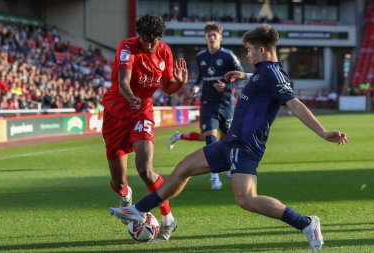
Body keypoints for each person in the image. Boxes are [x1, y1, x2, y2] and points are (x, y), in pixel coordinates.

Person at [108, 24, 349, 249]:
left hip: (245, 147)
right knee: (183, 168)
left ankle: (306, 223)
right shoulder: (265, 71)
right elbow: (266, 82)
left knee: (247, 199)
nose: (248, 55)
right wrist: (243, 76)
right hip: (229, 143)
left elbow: (295, 105)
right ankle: (139, 209)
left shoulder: (272, 74)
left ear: (262, 50)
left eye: (249, 50)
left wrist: (323, 132)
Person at [102, 13, 188, 241]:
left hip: (142, 112)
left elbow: (168, 87)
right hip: (117, 113)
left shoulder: (164, 52)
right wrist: (130, 97)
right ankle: (126, 195)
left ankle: (168, 220)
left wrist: (179, 82)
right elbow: (123, 82)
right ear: (138, 35)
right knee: (118, 181)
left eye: (154, 40)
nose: (149, 45)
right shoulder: (127, 47)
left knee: (145, 169)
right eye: (146, 40)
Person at [168, 21, 245, 190]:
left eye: (214, 35)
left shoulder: (228, 56)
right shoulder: (201, 56)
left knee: (226, 141)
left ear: (220, 37)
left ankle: (225, 167)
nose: (211, 38)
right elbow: (200, 77)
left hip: (226, 103)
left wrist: (227, 86)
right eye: (209, 35)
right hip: (208, 104)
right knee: (210, 139)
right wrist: (196, 87)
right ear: (205, 37)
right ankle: (214, 176)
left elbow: (240, 76)